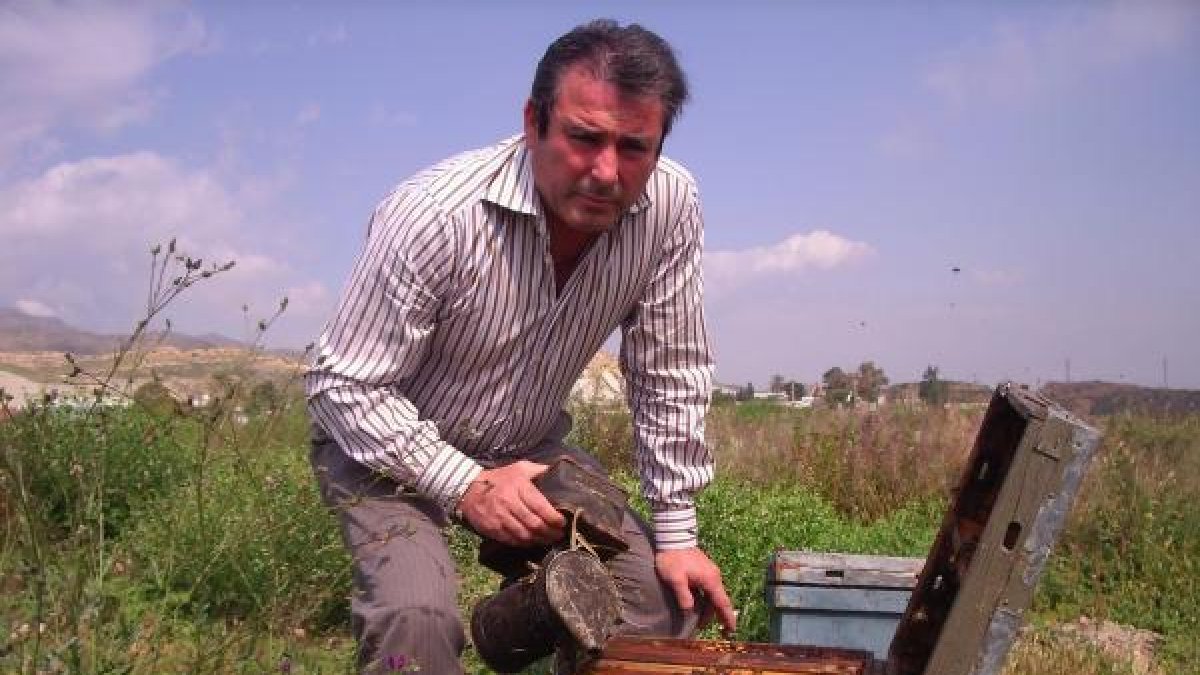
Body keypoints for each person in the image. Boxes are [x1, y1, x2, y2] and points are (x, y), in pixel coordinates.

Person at [306, 18, 736, 673]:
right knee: (415, 621)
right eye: (583, 138)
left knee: (656, 608)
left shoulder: (671, 205)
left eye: (634, 147)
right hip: (384, 450)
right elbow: (344, 385)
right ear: (534, 121)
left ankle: (517, 623)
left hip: (528, 446)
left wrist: (677, 534)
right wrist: (466, 484)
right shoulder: (435, 214)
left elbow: (668, 370)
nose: (604, 171)